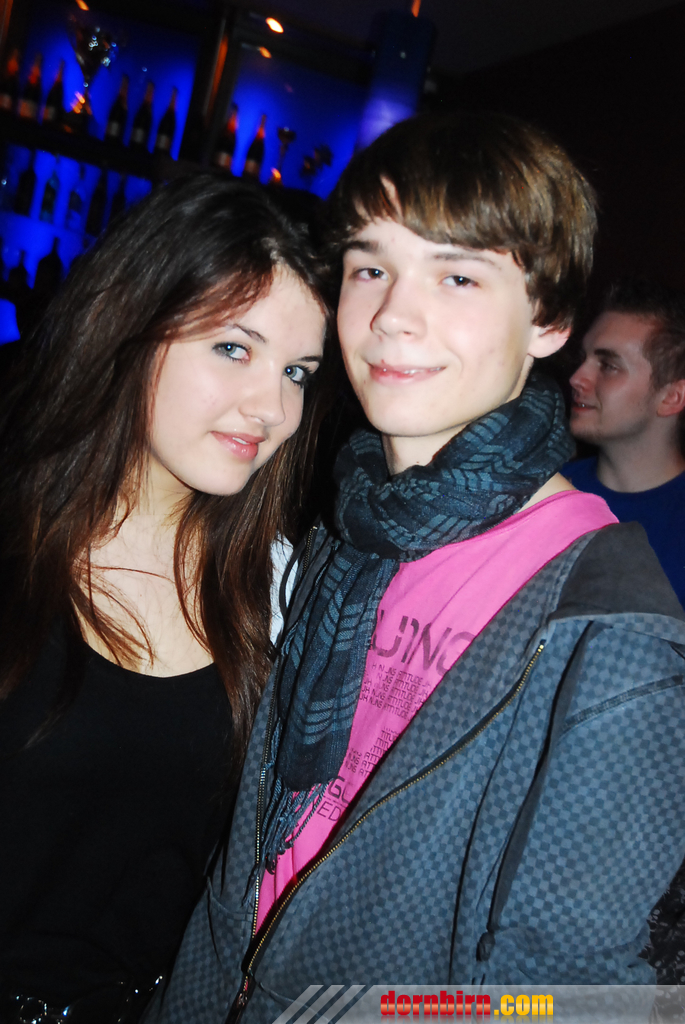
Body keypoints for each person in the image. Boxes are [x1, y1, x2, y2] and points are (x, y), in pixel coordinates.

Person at [149, 114, 685, 1024]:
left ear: (548, 320)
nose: (392, 315)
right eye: (370, 269)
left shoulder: (608, 625)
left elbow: (564, 997)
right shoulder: (346, 533)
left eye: (458, 276)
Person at [0, 175, 328, 1023]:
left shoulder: (281, 590)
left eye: (297, 371)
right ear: (130, 324)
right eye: (234, 349)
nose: (272, 407)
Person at [564, 279, 685, 607]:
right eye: (584, 358)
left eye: (608, 365)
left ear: (671, 397)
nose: (577, 378)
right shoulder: (545, 496)